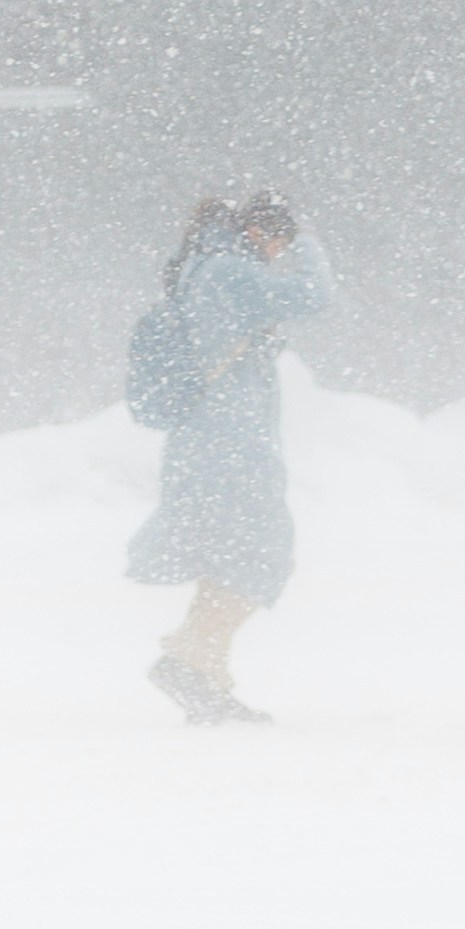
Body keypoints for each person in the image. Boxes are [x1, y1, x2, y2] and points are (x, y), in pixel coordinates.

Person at [128, 191, 333, 724]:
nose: (277, 257)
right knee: (260, 553)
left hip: (215, 441)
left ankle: (204, 679)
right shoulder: (226, 275)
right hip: (228, 445)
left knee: (231, 555)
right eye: (278, 245)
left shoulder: (209, 271)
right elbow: (314, 295)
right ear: (261, 234)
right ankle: (186, 659)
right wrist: (311, 245)